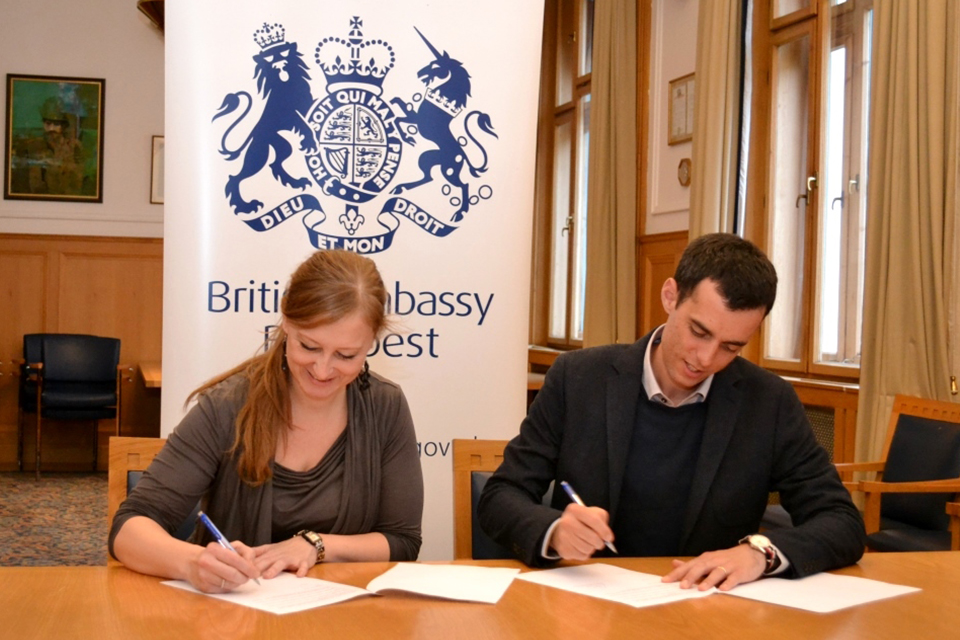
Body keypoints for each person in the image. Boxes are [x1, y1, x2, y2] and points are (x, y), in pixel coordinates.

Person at [478, 233, 865, 591]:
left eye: (731, 347)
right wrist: (554, 530)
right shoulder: (579, 378)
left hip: (705, 611)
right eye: (699, 331)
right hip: (586, 606)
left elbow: (842, 522)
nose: (707, 359)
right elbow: (501, 495)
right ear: (670, 296)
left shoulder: (769, 402)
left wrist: (759, 553)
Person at [110, 250, 424, 593]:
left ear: (371, 344)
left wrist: (315, 545)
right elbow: (129, 529)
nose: (322, 370)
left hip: (343, 620)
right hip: (233, 619)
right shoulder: (229, 405)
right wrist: (191, 563)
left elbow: (402, 540)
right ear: (286, 319)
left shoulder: (385, 406)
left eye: (346, 356)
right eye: (309, 346)